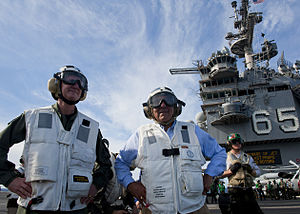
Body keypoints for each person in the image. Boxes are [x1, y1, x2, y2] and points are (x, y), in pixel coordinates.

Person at [0, 65, 113, 213]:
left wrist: (95, 185)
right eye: (70, 79)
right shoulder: (32, 118)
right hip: (33, 208)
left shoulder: (90, 128)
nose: (76, 85)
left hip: (77, 209)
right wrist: (9, 179)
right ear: (56, 85)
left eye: (81, 82)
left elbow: (106, 165)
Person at [114, 87, 227, 214]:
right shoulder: (141, 134)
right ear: (149, 109)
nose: (163, 105)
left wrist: (209, 174)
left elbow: (219, 153)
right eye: (157, 101)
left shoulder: (192, 130)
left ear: (176, 107)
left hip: (195, 208)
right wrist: (130, 185)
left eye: (168, 100)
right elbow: (121, 162)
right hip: (154, 210)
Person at [220, 133, 263, 214]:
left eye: (239, 141)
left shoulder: (248, 157)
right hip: (234, 191)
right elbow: (218, 174)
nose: (237, 143)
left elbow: (258, 172)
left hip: (248, 190)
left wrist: (250, 171)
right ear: (229, 144)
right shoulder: (225, 157)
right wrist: (230, 171)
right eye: (234, 141)